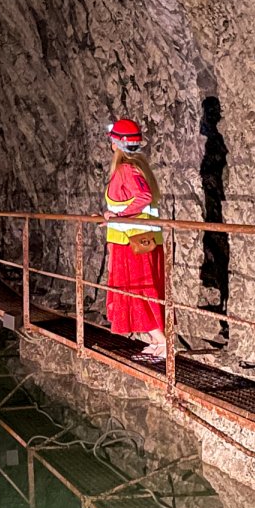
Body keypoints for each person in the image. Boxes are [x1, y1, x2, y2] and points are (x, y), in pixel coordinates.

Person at [104, 117, 166, 363]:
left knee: (135, 290)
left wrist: (118, 214)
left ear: (115, 144)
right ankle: (154, 340)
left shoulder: (125, 169)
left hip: (130, 243)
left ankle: (161, 341)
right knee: (143, 289)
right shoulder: (139, 167)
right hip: (141, 239)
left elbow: (143, 196)